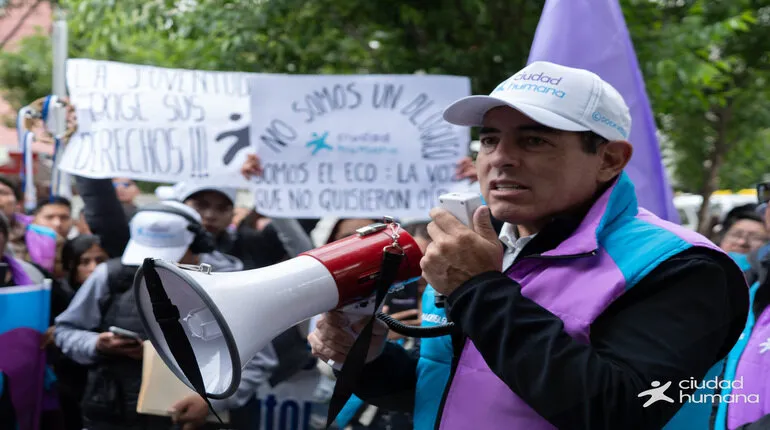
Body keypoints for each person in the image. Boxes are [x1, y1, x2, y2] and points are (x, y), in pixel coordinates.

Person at [308, 61, 750, 429]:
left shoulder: (686, 267)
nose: (501, 157)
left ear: (609, 159)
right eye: (489, 139)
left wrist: (478, 290)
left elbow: (621, 410)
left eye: (534, 139)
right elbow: (455, 389)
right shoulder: (476, 247)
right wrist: (367, 360)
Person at [53, 201, 246, 430]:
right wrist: (96, 344)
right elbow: (65, 331)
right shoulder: (109, 276)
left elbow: (258, 358)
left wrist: (214, 400)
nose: (153, 267)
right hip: (113, 415)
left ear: (197, 245)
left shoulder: (225, 284)